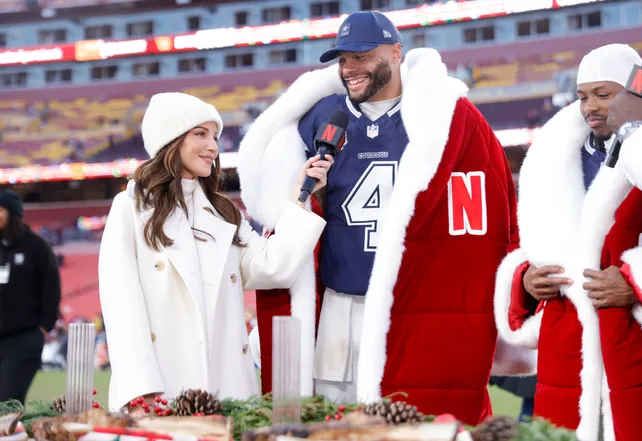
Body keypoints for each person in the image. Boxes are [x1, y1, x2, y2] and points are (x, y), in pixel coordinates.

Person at [237, 11, 519, 424]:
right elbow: (278, 213)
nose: (349, 68)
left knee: (407, 420)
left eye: (361, 56)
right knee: (330, 421)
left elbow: (486, 211)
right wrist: (304, 196)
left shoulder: (440, 116)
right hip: (336, 303)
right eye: (342, 59)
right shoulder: (321, 116)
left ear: (395, 52)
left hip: (409, 306)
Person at [99, 92, 330, 412]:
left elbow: (273, 266)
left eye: (216, 136)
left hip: (229, 387)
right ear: (170, 139)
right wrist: (141, 391)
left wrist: (299, 199)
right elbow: (120, 306)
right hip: (162, 386)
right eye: (201, 134)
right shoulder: (131, 207)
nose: (213, 147)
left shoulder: (224, 214)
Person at [494, 44, 642, 441]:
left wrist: (640, 282)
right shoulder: (551, 158)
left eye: (604, 94)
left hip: (639, 348)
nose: (591, 107)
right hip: (565, 352)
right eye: (583, 96)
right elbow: (521, 244)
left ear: (638, 92)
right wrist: (525, 279)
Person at [0, 190, 61, 404]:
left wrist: (43, 328)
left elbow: (51, 289)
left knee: (7, 401)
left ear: (13, 213)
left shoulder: (37, 247)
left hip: (23, 338)